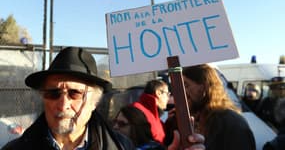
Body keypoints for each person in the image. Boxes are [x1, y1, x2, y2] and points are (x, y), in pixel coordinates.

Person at [1, 47, 205, 150]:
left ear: (94, 102)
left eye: (75, 93)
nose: (63, 104)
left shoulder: (121, 147)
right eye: (53, 93)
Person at [164, 64, 256, 150]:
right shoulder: (179, 119)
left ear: (205, 87)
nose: (181, 92)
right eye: (179, 87)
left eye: (186, 85)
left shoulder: (232, 123)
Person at [131, 79, 170, 144]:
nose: (168, 98)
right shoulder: (137, 110)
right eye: (167, 94)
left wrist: (169, 122)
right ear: (158, 93)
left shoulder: (154, 116)